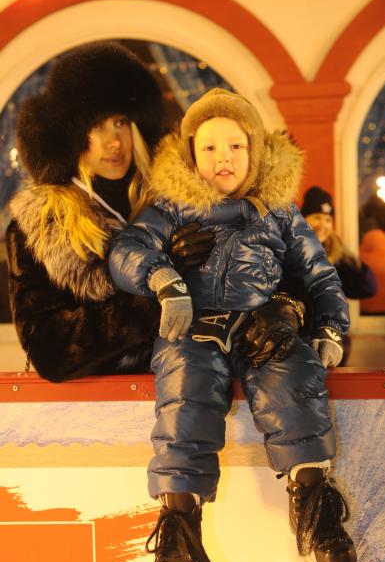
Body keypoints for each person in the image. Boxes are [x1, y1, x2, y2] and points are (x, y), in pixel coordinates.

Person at [108, 88, 357, 562]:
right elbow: (127, 248)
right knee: (185, 390)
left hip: (260, 324)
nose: (223, 159)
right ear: (191, 155)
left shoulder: (279, 213)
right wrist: (162, 277)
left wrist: (328, 325)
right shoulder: (171, 209)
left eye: (236, 147)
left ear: (256, 152)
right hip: (194, 327)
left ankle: (313, 498)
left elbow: (319, 273)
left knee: (294, 373)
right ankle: (179, 524)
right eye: (210, 148)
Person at [6, 42, 300, 382]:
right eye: (96, 126)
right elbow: (51, 352)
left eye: (120, 122)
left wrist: (285, 308)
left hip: (204, 392)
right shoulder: (38, 226)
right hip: (106, 418)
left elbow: (278, 262)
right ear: (70, 137)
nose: (113, 142)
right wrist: (160, 289)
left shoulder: (180, 203)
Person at [301, 186, 377, 363]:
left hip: (333, 342)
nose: (323, 224)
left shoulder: (337, 256)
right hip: (299, 343)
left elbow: (368, 288)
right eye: (317, 217)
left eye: (328, 220)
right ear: (303, 220)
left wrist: (348, 258)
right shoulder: (289, 252)